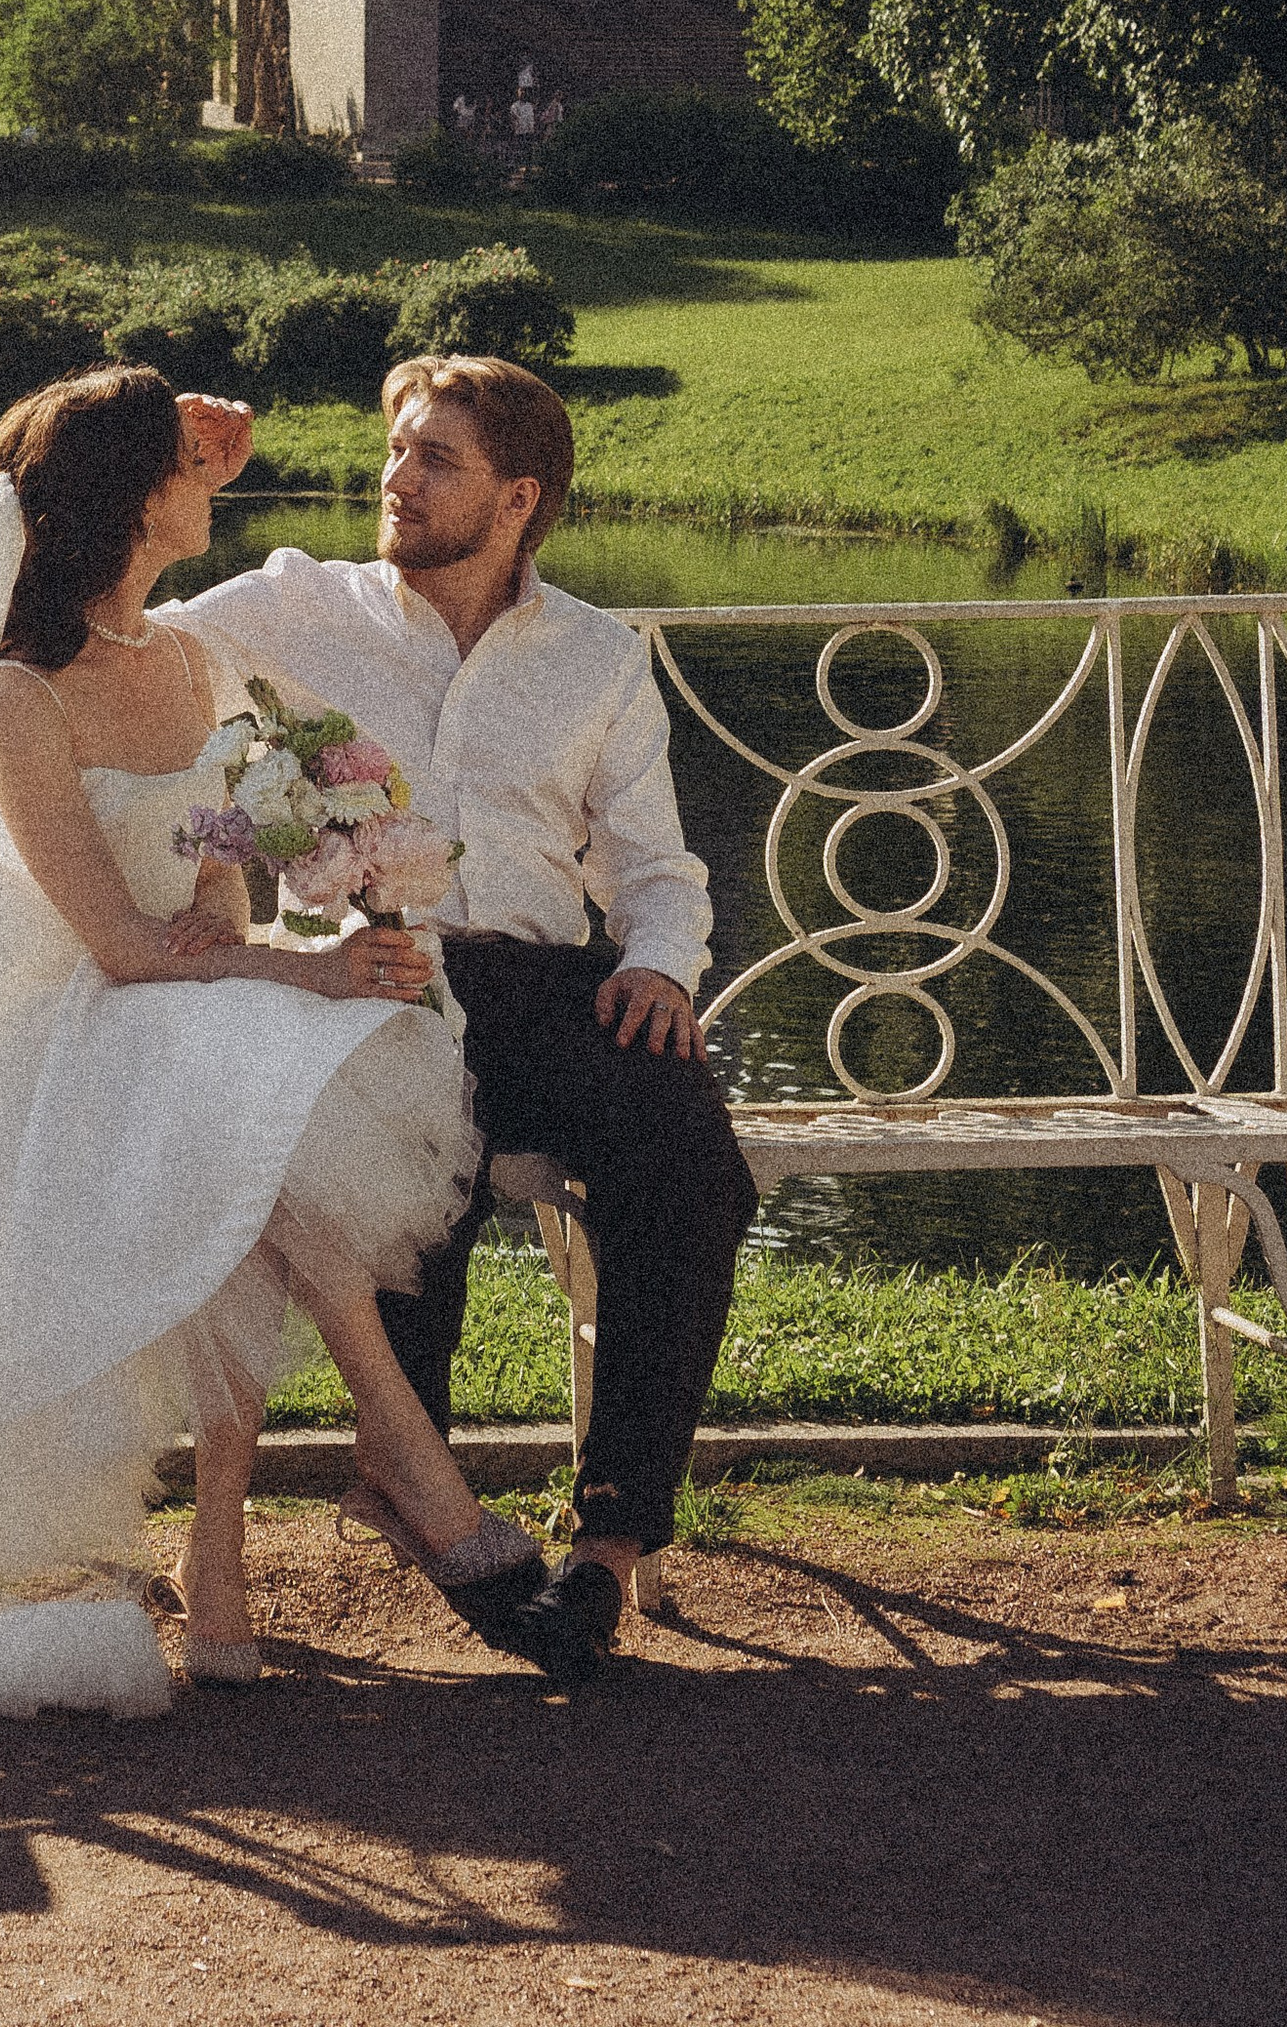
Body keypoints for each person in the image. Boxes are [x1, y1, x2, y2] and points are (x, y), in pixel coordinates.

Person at [0, 367, 534, 1717]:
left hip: (164, 1006)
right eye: (188, 472)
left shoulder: (187, 659)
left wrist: (274, 954)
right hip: (33, 1032)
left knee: (262, 1095)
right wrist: (291, 973)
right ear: (138, 501)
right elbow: (116, 945)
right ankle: (393, 1475)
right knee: (256, 1100)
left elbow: (206, 886)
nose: (214, 486)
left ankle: (261, 1542)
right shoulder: (14, 695)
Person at [169, 357, 757, 1684]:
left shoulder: (599, 655)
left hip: (555, 986)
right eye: (396, 450)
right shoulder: (293, 606)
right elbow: (127, 652)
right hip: (373, 976)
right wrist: (180, 464)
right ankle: (411, 1479)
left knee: (691, 1170)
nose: (397, 478)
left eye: (435, 460)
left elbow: (654, 869)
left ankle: (606, 1550)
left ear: (517, 497)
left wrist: (661, 964)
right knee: (403, 1170)